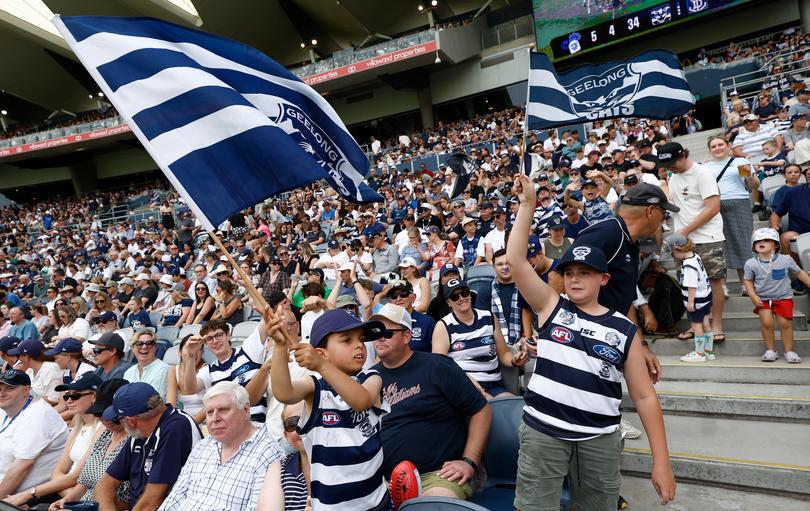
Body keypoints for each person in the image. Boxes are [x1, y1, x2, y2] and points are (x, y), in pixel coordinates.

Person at [506, 177, 676, 510]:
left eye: (586, 272)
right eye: (570, 272)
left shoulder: (624, 329)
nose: (575, 279)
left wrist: (662, 461)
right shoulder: (552, 309)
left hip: (599, 437)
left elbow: (644, 396)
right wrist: (527, 205)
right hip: (544, 431)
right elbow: (516, 262)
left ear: (604, 278)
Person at [269, 309, 392, 511]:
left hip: (376, 503)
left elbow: (360, 400)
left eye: (360, 339)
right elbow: (284, 392)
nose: (359, 345)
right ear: (322, 353)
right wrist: (280, 346)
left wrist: (321, 366)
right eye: (347, 340)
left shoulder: (372, 377)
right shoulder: (314, 387)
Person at [370, 303, 491, 499]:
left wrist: (469, 462)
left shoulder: (436, 366)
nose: (381, 337)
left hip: (437, 476)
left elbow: (481, 410)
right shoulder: (370, 379)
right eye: (377, 333)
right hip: (385, 480)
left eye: (388, 333)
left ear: (407, 336)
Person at [158, 381, 284, 510]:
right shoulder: (203, 446)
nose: (215, 418)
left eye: (223, 410)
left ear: (246, 410)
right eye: (209, 412)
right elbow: (175, 498)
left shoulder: (269, 453)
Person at [659, 142, 727, 343]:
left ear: (683, 155)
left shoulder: (703, 173)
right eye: (667, 164)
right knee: (689, 283)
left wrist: (685, 230)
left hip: (708, 237)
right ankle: (696, 324)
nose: (671, 167)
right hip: (684, 240)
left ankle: (716, 324)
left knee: (713, 281)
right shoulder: (673, 176)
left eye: (673, 162)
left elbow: (713, 207)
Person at [96, 382, 201, 511]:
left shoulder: (176, 427)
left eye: (119, 419)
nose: (121, 424)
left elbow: (152, 502)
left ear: (131, 420)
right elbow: (105, 484)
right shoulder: (139, 435)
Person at [4, 372, 103, 507]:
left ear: (94, 397)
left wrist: (30, 493)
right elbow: (57, 473)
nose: (69, 400)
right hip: (73, 494)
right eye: (67, 395)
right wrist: (73, 499)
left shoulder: (103, 427)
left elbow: (77, 476)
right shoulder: (78, 426)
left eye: (75, 395)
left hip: (85, 495)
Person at [432, 278, 528, 398]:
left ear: (470, 295)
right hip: (463, 385)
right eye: (455, 297)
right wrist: (466, 379)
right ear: (449, 302)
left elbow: (503, 353)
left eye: (464, 293)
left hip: (494, 384)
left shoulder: (489, 317)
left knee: (510, 403)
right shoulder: (443, 326)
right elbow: (439, 366)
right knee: (486, 404)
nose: (461, 298)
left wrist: (514, 360)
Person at [47, 378, 131, 511]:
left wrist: (82, 507)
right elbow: (84, 482)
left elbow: (129, 500)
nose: (104, 419)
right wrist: (65, 501)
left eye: (110, 414)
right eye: (98, 413)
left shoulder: (133, 441)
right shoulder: (105, 434)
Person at [179, 315, 273, 423]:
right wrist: (190, 357)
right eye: (209, 339)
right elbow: (190, 389)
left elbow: (267, 318)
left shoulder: (248, 350)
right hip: (228, 427)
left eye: (219, 335)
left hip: (256, 421)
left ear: (228, 335)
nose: (215, 341)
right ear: (205, 344)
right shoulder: (208, 370)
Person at [743, 228, 810, 363]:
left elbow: (799, 273)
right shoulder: (751, 263)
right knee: (767, 323)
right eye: (758, 241)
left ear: (775, 244)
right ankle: (770, 350)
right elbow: (748, 280)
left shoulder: (786, 259)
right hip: (763, 298)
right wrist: (752, 295)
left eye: (766, 240)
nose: (762, 243)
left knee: (784, 323)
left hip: (783, 297)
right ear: (753, 245)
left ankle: (789, 351)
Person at [0, 369, 69, 500]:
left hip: (23, 498)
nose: (2, 393)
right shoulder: (6, 408)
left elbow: (23, 465)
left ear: (26, 390)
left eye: (10, 388)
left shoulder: (38, 415)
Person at [705, 135, 756, 294]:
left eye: (720, 144)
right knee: (720, 245)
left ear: (728, 145)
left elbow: (753, 186)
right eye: (713, 146)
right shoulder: (706, 167)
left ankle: (745, 284)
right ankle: (722, 287)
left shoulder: (739, 162)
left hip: (739, 203)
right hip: (715, 206)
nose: (718, 148)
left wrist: (749, 174)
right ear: (709, 150)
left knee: (742, 243)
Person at [665, 235, 715, 362]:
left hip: (696, 300)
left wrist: (690, 302)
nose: (673, 256)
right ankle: (708, 351)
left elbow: (692, 285)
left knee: (696, 325)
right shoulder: (696, 257)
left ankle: (699, 354)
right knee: (706, 324)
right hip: (706, 297)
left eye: (672, 253)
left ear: (678, 250)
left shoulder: (688, 265)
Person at [273, 402, 309, 511]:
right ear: (286, 435)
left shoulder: (352, 463)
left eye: (309, 418)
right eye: (293, 423)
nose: (302, 428)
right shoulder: (279, 470)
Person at [383, 280, 436, 352]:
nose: (398, 299)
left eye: (403, 294)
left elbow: (437, 353)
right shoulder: (386, 324)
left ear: (413, 298)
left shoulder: (427, 322)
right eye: (394, 296)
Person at [9, 339, 62, 405]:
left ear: (26, 357)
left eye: (18, 356)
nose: (18, 359)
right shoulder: (30, 370)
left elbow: (54, 400)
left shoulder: (51, 369)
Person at [166, 334, 207, 417]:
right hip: (185, 418)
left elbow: (210, 406)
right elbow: (171, 404)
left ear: (202, 352)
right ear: (180, 352)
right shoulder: (173, 371)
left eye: (198, 349)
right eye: (189, 347)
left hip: (206, 419)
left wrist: (192, 423)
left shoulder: (207, 369)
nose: (193, 352)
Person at [123, 329, 170, 400]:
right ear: (133, 348)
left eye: (149, 343)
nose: (144, 347)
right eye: (139, 344)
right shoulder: (128, 372)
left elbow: (160, 401)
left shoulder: (165, 370)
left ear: (155, 347)